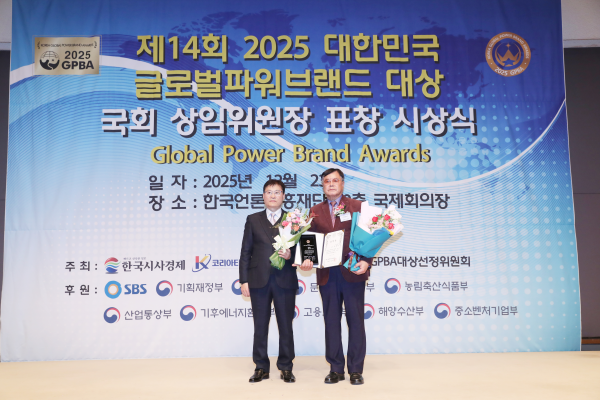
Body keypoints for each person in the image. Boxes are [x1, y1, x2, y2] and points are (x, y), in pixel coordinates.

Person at [298, 168, 372, 385]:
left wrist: (367, 260)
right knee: (331, 321)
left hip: (353, 271)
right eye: (327, 181)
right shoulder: (314, 211)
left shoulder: (357, 207)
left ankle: (356, 369)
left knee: (355, 321)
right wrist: (306, 259)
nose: (331, 184)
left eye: (335, 180)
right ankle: (336, 368)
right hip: (327, 274)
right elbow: (308, 240)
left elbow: (370, 236)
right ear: (322, 185)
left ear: (342, 183)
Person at [239, 179, 298, 383]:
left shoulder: (294, 220)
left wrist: (291, 255)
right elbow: (245, 252)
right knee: (260, 326)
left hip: (285, 280)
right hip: (258, 280)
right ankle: (261, 367)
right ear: (263, 196)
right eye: (269, 192)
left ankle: (286, 366)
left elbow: (302, 251)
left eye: (277, 192)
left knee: (285, 326)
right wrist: (244, 280)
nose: (273, 195)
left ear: (284, 196)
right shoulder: (253, 219)